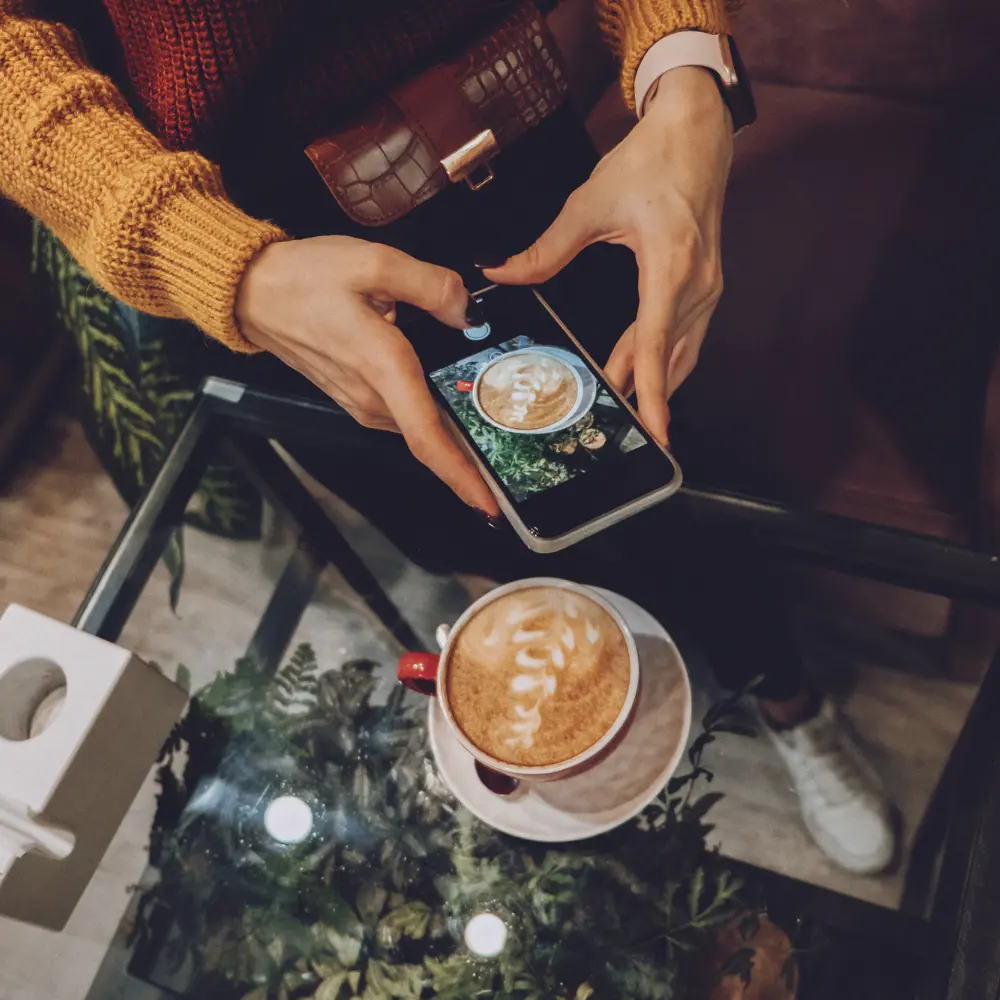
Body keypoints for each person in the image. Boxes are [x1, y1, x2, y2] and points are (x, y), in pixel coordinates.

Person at [0, 0, 895, 874]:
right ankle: (563, 709)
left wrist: (686, 66)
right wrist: (210, 258)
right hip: (266, 259)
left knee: (662, 482)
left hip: (513, 163)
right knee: (454, 519)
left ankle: (790, 701)